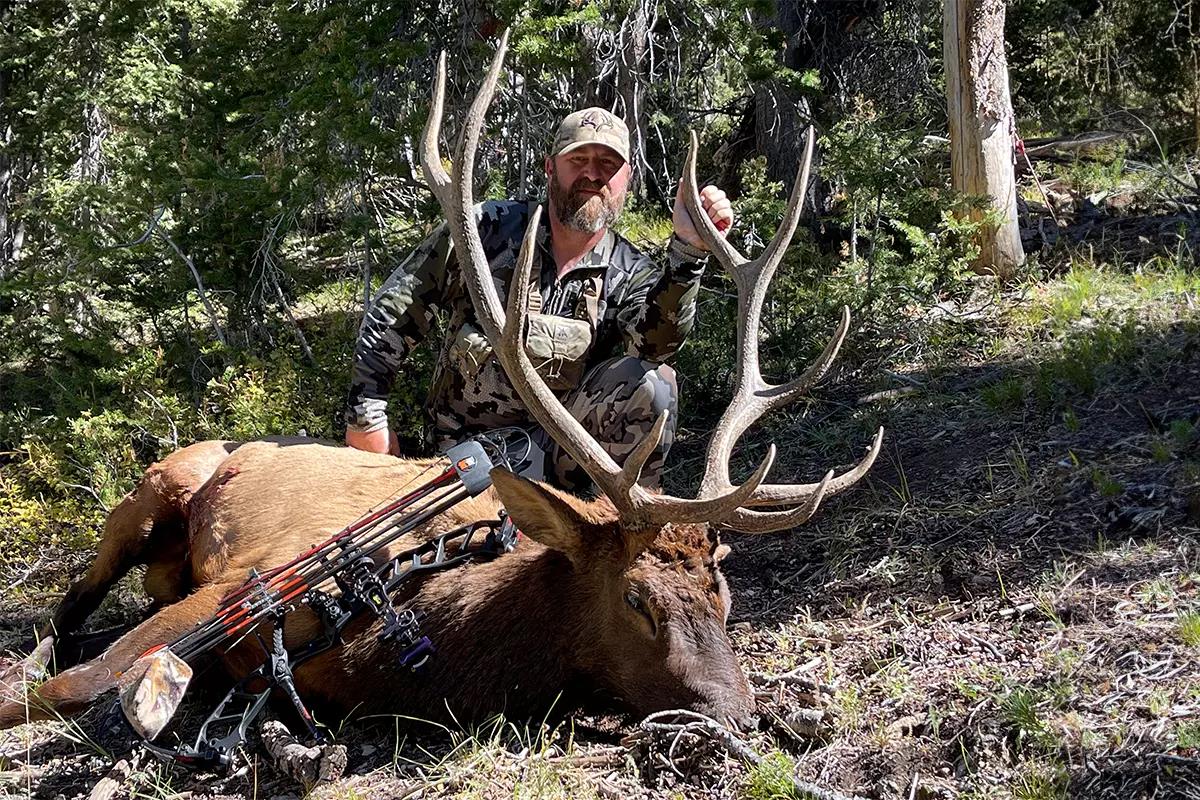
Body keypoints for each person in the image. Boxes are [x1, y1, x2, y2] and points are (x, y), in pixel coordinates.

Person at [344, 107, 733, 491]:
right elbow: (393, 311)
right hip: (465, 456)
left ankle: (613, 531)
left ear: (626, 179)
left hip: (562, 460)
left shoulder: (631, 271)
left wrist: (688, 251)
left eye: (608, 164)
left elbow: (656, 345)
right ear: (550, 168)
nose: (592, 174)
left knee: (655, 385)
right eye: (578, 159)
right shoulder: (483, 230)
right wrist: (368, 419)